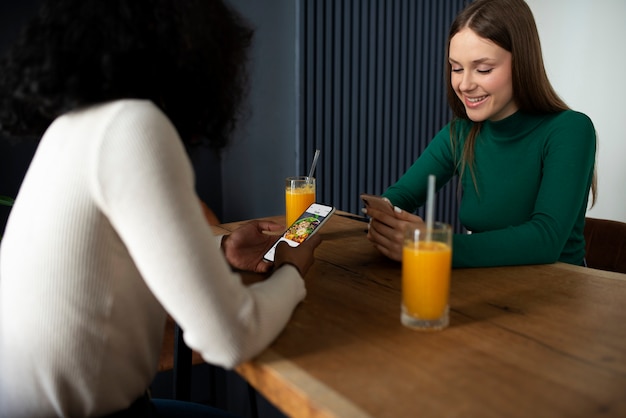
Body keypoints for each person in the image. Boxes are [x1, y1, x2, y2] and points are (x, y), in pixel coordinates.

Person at [0, 1, 321, 417]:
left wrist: (223, 248)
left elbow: (126, 253)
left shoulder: (73, 125)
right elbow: (228, 337)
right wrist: (293, 270)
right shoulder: (133, 125)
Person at [364, 0, 596, 268]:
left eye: (483, 69)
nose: (464, 84)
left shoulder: (570, 130)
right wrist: (384, 220)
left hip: (559, 293)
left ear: (522, 63)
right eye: (456, 68)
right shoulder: (460, 133)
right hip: (487, 283)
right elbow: (400, 196)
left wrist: (435, 246)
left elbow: (545, 239)